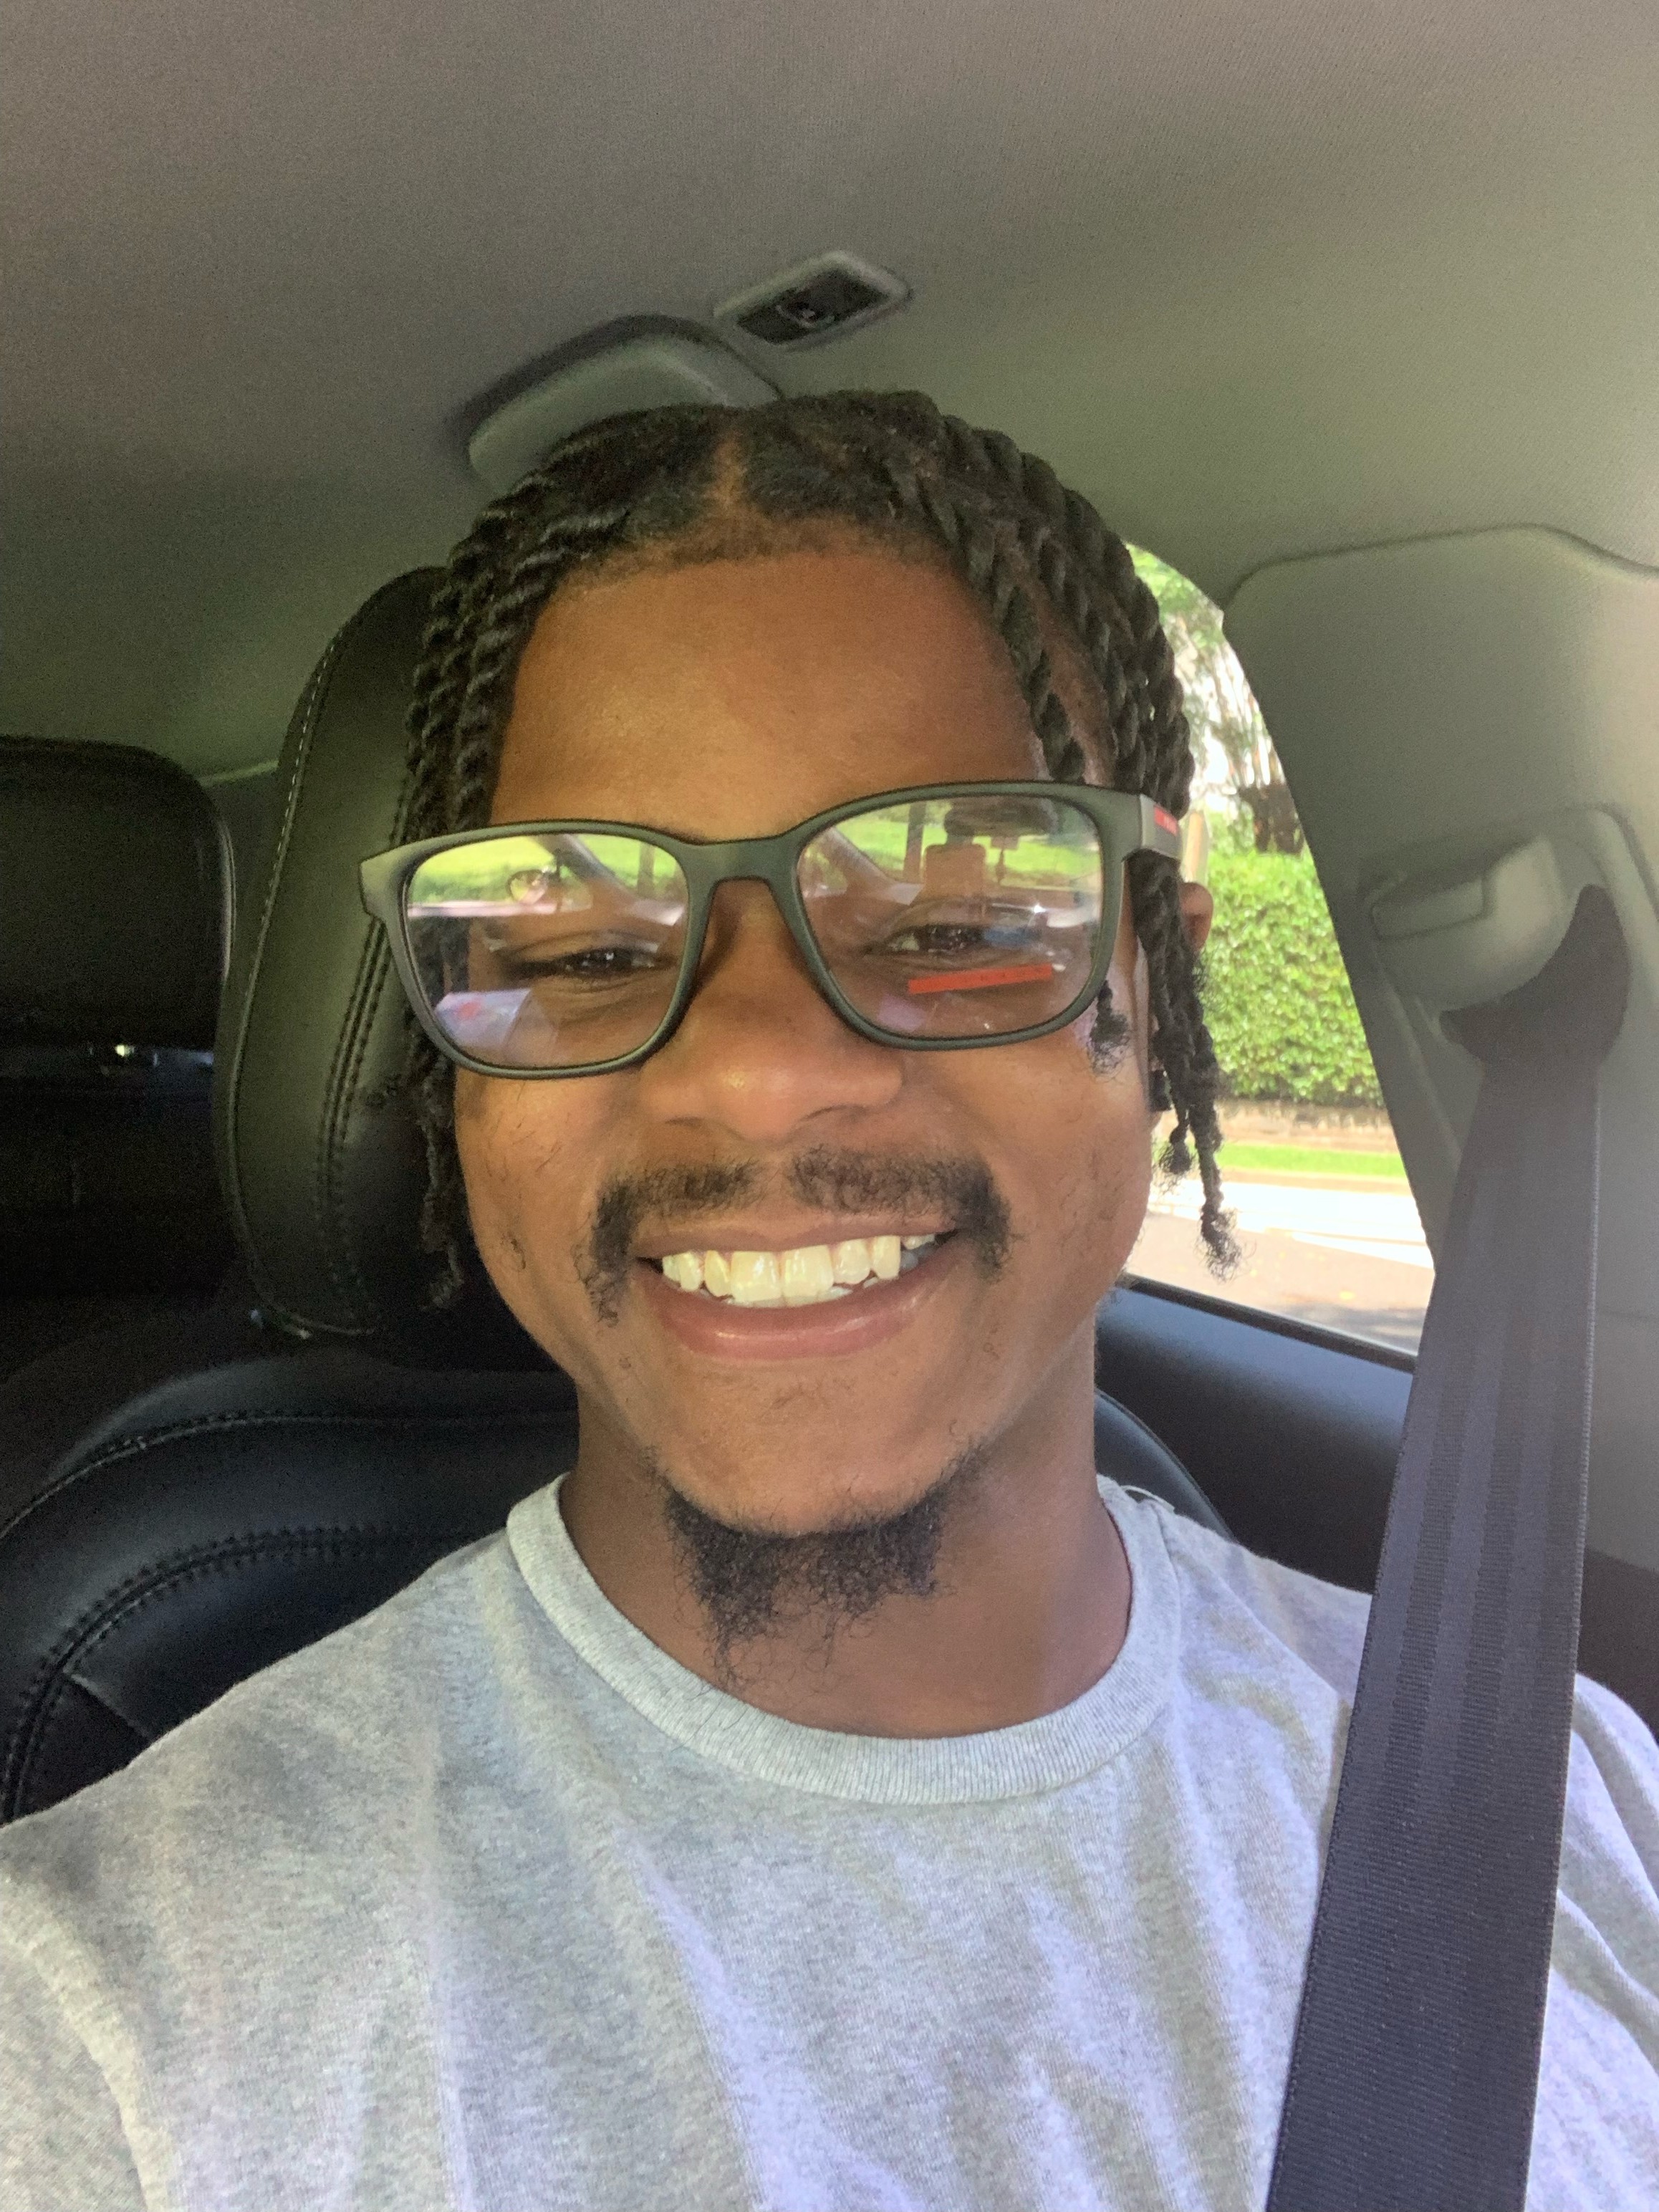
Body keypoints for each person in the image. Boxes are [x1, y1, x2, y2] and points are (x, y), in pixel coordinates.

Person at [3, 393, 1656, 2209]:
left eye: (953, 918)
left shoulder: (1562, 1793)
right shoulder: (106, 2023)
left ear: (1152, 989)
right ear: (455, 1064)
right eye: (580, 948)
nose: (764, 1072)